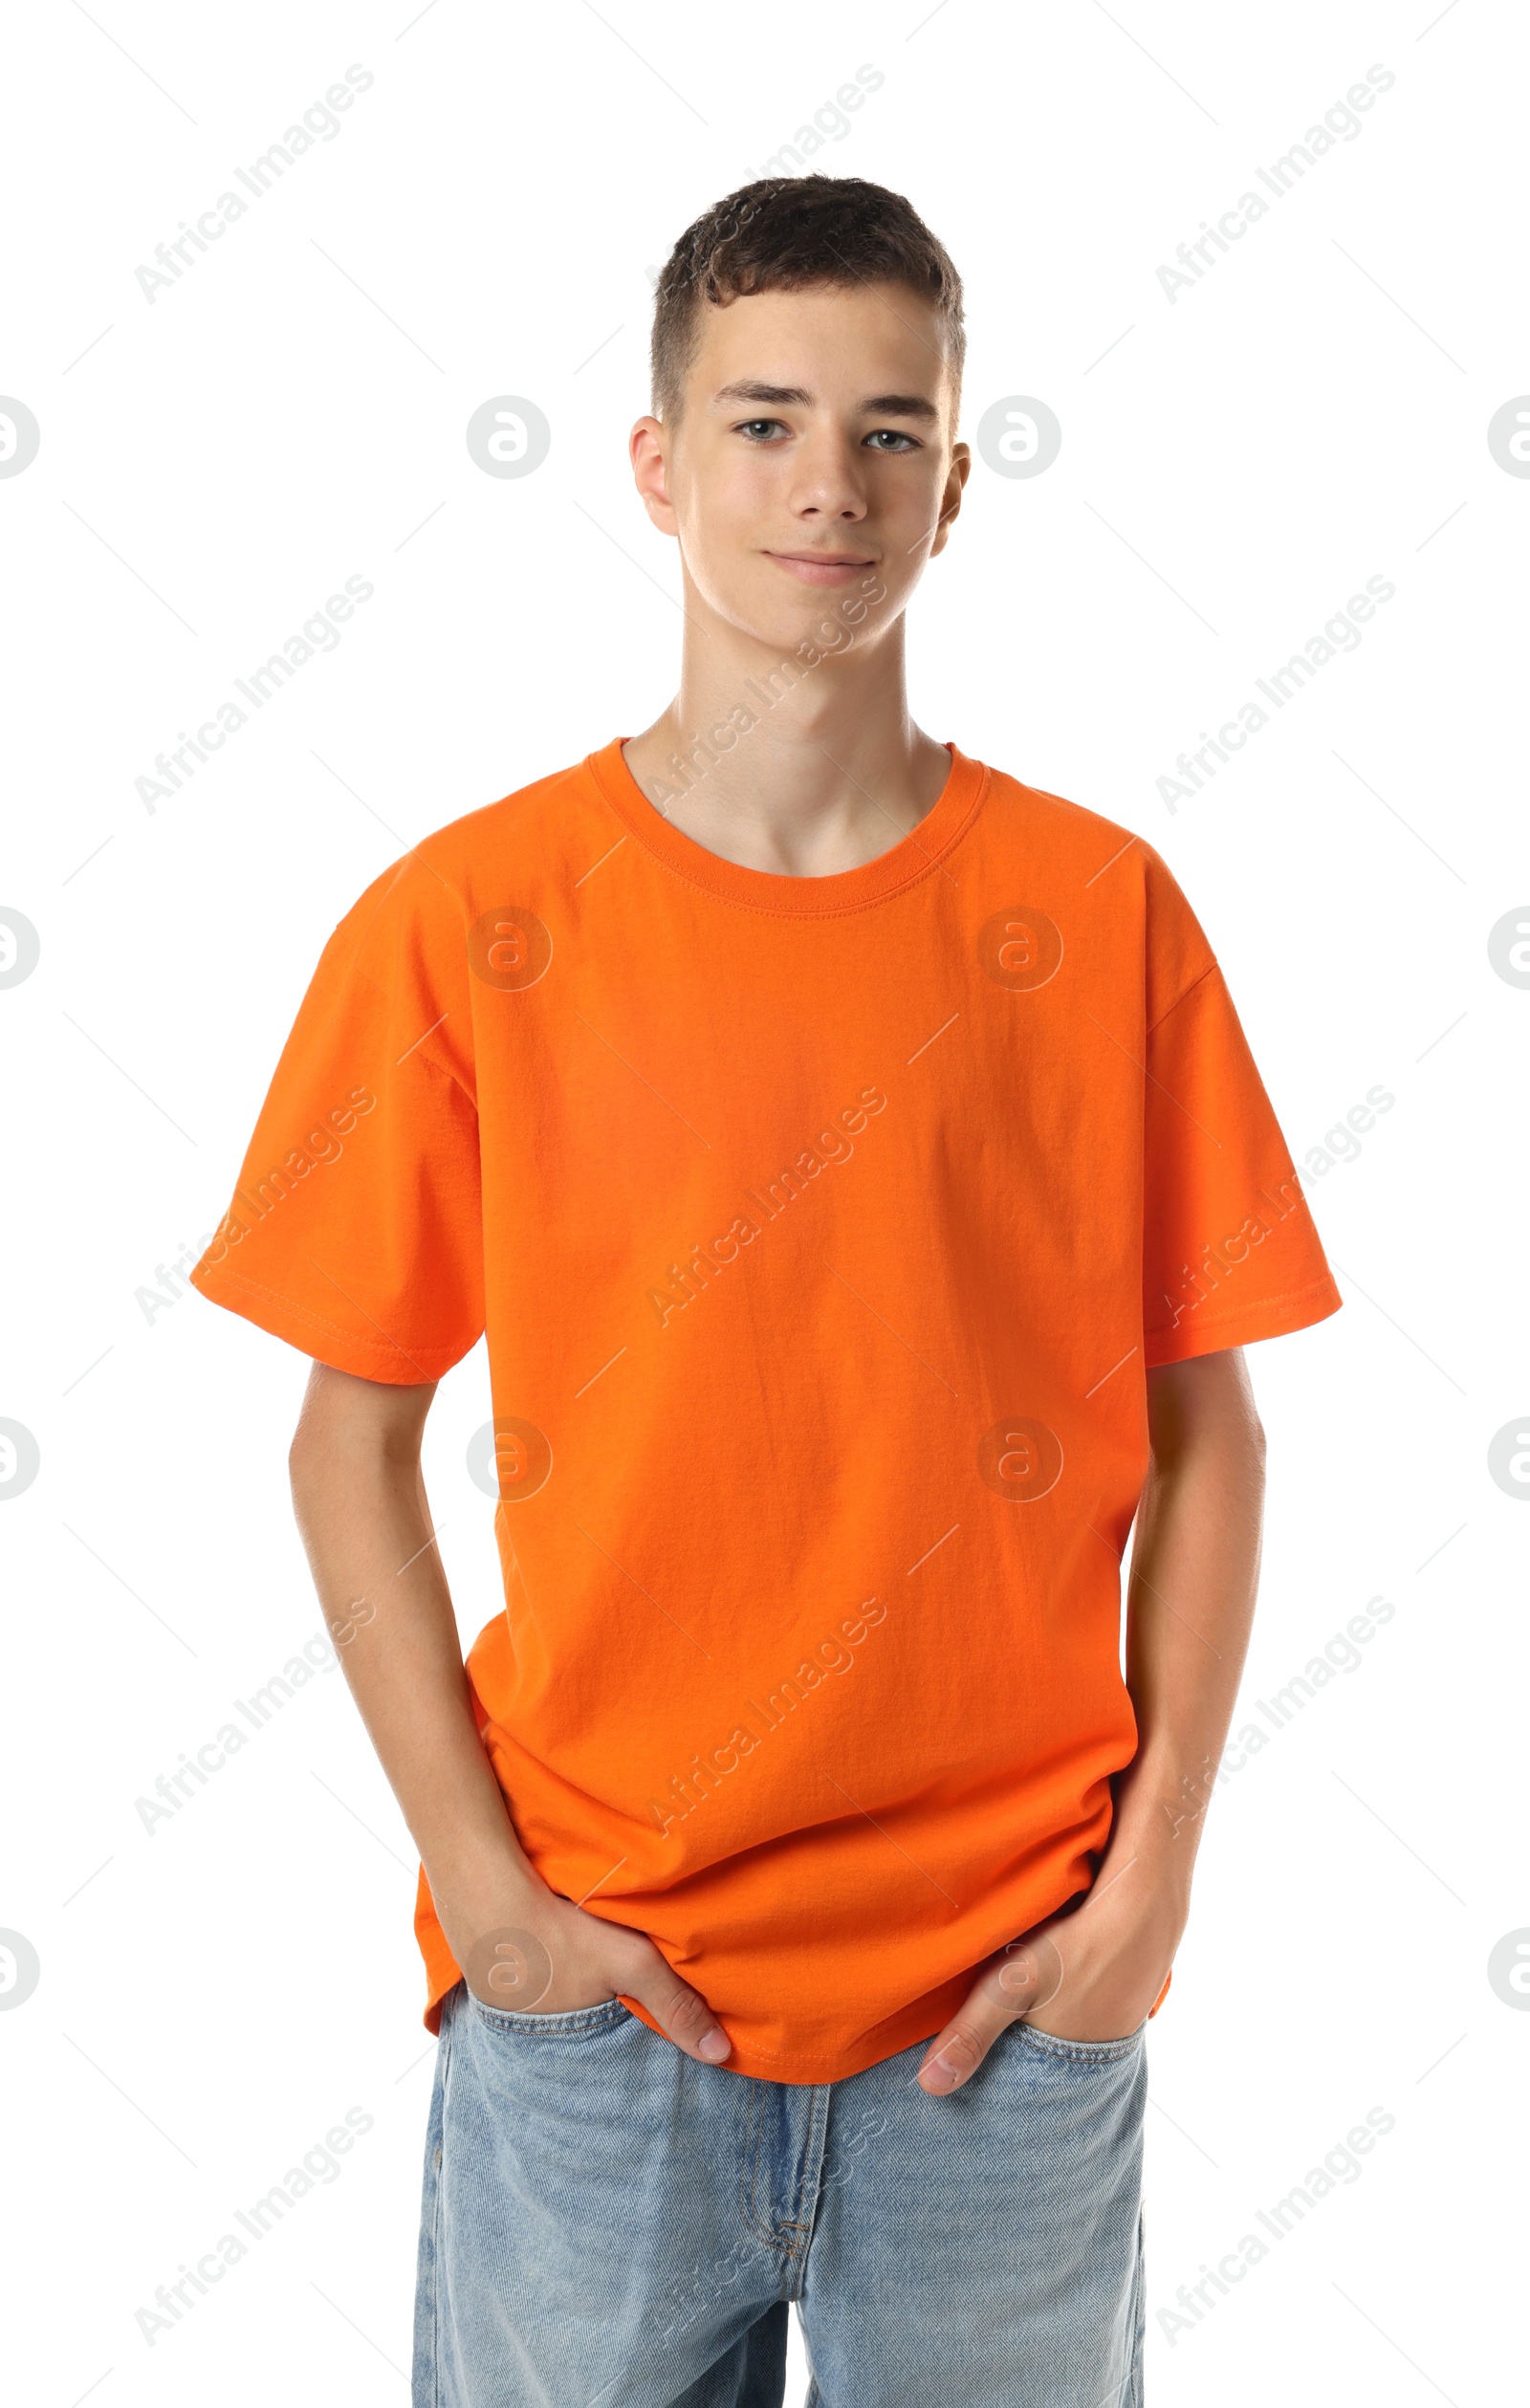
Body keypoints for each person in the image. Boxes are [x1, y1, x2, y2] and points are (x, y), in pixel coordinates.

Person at [191, 174, 1342, 2408]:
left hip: (1000, 2022)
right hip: (597, 2016)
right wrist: (485, 1896)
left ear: (952, 484)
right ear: (651, 460)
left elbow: (1211, 1421)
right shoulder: (463, 922)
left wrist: (1152, 1889)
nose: (828, 483)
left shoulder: (1097, 912)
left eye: (889, 429)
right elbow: (348, 1433)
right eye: (761, 420)